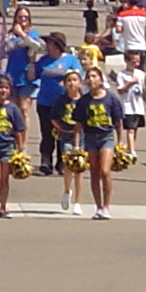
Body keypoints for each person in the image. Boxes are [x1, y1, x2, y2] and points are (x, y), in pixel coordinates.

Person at [0, 6, 42, 165]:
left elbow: (37, 47)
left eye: (25, 18)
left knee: (24, 110)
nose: (22, 20)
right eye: (20, 17)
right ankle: (14, 142)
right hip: (12, 75)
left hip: (27, 75)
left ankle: (24, 146)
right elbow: (0, 52)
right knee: (13, 111)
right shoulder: (10, 35)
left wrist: (22, 34)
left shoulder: (32, 33)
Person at [31, 32, 80, 180]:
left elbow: (78, 76)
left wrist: (66, 83)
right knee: (46, 132)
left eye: (50, 43)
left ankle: (61, 162)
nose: (48, 46)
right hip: (44, 101)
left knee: (63, 131)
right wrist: (32, 61)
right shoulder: (43, 61)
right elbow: (32, 76)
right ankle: (46, 162)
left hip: (63, 103)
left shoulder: (70, 60)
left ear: (57, 45)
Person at [79, 66, 124, 220]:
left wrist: (121, 142)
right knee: (94, 173)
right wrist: (77, 145)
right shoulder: (83, 101)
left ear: (100, 79)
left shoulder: (111, 99)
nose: (91, 80)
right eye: (89, 77)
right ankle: (98, 207)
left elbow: (118, 122)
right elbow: (78, 125)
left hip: (106, 137)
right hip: (90, 138)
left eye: (94, 76)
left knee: (105, 171)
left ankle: (106, 206)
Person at [0, 76, 25, 218]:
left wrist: (20, 150)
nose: (3, 90)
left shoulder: (13, 108)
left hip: (8, 146)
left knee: (4, 179)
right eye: (0, 87)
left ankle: (3, 207)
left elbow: (19, 130)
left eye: (6, 88)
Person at [50, 70, 85, 217]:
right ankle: (66, 190)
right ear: (65, 84)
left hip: (82, 137)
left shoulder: (84, 100)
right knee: (68, 167)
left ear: (80, 83)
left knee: (79, 169)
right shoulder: (61, 100)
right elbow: (53, 118)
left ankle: (78, 202)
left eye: (75, 80)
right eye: (69, 80)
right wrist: (62, 129)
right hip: (66, 137)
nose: (72, 83)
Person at [114, 50, 146, 159]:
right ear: (126, 61)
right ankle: (132, 151)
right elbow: (120, 90)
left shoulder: (140, 74)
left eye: (138, 62)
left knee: (135, 128)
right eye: (133, 62)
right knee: (130, 129)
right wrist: (130, 83)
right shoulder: (122, 75)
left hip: (138, 106)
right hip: (128, 106)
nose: (136, 64)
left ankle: (131, 147)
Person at [115, 0, 146, 71]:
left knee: (131, 70)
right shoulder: (144, 14)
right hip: (142, 45)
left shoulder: (122, 15)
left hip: (129, 46)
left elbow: (118, 30)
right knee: (141, 70)